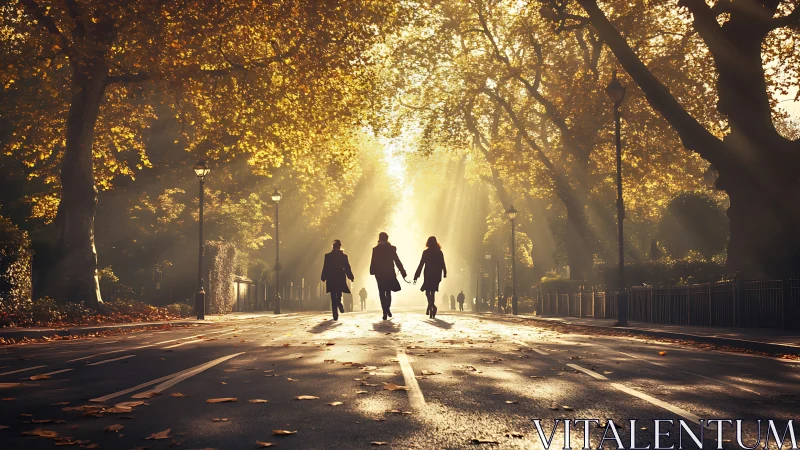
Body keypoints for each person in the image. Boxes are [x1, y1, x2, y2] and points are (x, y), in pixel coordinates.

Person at [370, 232, 407, 320]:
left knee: (381, 292)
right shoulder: (391, 249)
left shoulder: (375, 249)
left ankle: (384, 311)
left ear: (379, 238)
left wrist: (372, 271)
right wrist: (402, 271)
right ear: (387, 239)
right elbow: (397, 261)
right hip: (389, 272)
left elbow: (373, 261)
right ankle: (387, 308)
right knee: (388, 292)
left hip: (379, 274)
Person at [414, 236, 447, 319]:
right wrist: (444, 273)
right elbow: (443, 263)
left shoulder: (426, 252)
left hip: (428, 275)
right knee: (433, 292)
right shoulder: (439, 252)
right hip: (436, 275)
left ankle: (432, 306)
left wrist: (416, 275)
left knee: (427, 292)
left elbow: (421, 264)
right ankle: (431, 306)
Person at [320, 240, 354, 321]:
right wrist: (350, 276)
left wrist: (323, 276)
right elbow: (347, 267)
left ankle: (335, 312)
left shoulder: (328, 256)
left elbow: (325, 267)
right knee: (339, 293)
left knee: (332, 294)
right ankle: (339, 303)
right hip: (340, 276)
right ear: (340, 247)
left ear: (333, 247)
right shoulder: (344, 256)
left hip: (331, 276)